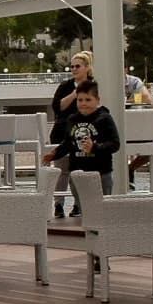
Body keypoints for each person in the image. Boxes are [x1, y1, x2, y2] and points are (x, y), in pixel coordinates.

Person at [46, 80, 121, 199]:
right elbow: (68, 144)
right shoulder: (72, 119)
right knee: (83, 208)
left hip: (100, 172)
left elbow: (115, 144)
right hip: (77, 172)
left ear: (97, 100)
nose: (83, 103)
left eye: (88, 100)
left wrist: (95, 147)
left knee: (102, 208)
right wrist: (55, 154)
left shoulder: (105, 118)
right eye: (80, 100)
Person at [49, 51, 94, 217]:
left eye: (77, 66)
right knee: (62, 170)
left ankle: (78, 204)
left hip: (84, 132)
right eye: (72, 66)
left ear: (87, 68)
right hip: (62, 132)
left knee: (80, 170)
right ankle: (59, 205)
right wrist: (75, 93)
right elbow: (57, 107)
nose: (74, 69)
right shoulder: (65, 86)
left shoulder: (93, 85)